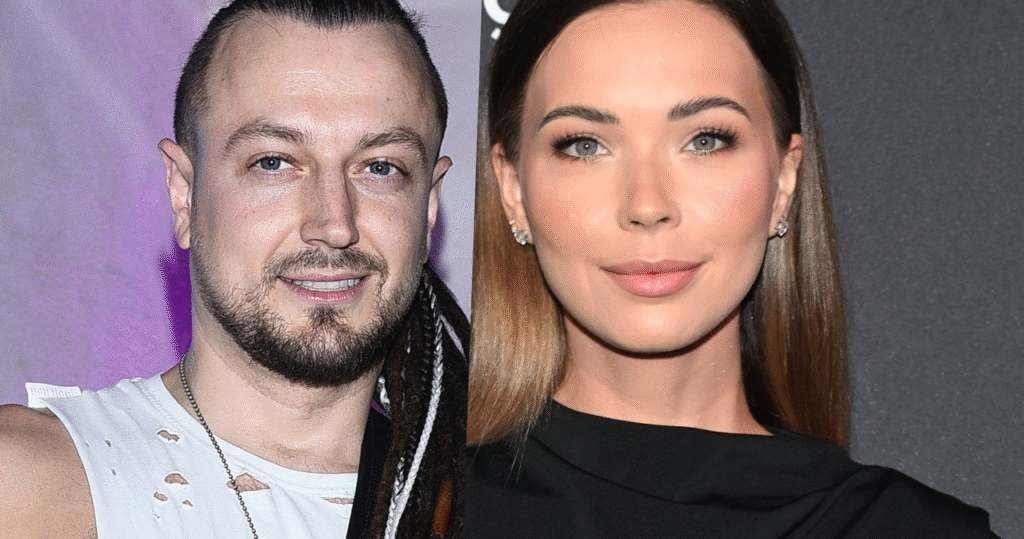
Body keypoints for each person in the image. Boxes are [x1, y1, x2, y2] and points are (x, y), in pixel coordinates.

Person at [466, 0, 995, 537]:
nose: (647, 204)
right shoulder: (430, 513)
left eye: (705, 141)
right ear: (513, 191)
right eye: (585, 146)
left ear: (783, 181)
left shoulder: (909, 528)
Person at [0, 0, 467, 538]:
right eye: (273, 162)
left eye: (380, 167)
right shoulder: (33, 484)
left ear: (428, 206)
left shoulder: (495, 505)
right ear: (184, 194)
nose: (335, 223)